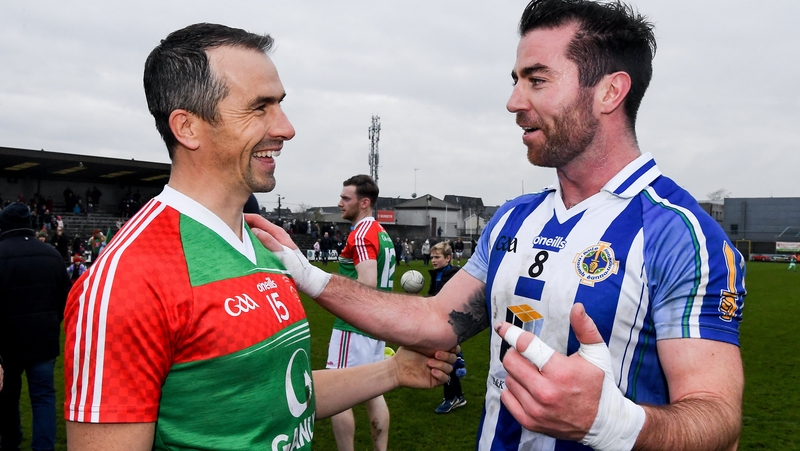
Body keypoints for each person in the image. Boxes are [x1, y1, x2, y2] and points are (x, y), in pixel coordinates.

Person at [247, 1, 746, 450]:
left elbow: (717, 417)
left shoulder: (682, 234)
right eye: (515, 79)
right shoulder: (515, 217)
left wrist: (615, 424)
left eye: (537, 79)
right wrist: (309, 275)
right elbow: (438, 319)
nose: (513, 101)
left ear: (610, 91)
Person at [63, 23, 454, 451]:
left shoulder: (265, 246)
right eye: (259, 108)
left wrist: (393, 372)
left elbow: (280, 397)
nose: (286, 128)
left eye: (280, 105)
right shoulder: (129, 279)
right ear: (188, 127)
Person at [327, 174, 396, 451]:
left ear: (364, 202)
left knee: (336, 393)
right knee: (373, 392)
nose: (340, 203)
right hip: (377, 324)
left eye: (346, 198)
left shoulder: (361, 233)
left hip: (354, 325)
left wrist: (329, 283)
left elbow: (366, 282)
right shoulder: (380, 231)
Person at [0, 202, 71, 451]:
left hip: (8, 344)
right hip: (44, 340)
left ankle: (10, 442)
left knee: (8, 397)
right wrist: (52, 321)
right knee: (42, 398)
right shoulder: (51, 254)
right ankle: (43, 446)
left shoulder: (2, 253)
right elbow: (66, 297)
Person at [427, 241, 467, 414]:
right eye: (432, 257)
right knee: (446, 358)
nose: (433, 261)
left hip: (450, 324)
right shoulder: (436, 274)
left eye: (437, 257)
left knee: (445, 360)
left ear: (448, 258)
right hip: (438, 322)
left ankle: (451, 397)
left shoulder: (454, 275)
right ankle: (458, 396)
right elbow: (432, 297)